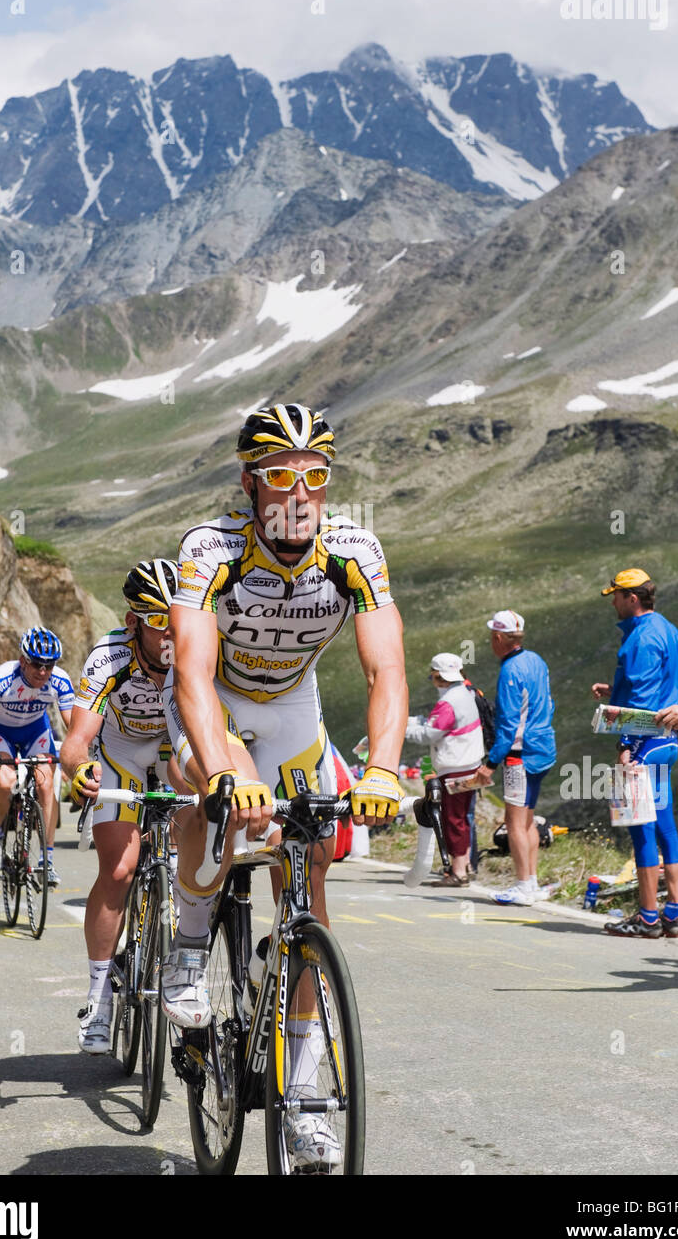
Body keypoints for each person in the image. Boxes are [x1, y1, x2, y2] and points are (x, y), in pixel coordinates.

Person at [163, 402, 407, 1170]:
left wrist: (384, 769)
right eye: (280, 478)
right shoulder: (211, 549)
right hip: (218, 703)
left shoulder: (354, 551)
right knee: (221, 805)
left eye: (316, 478)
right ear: (249, 483)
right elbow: (191, 674)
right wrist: (226, 771)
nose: (300, 495)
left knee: (306, 880)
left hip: (295, 708)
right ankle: (189, 944)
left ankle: (304, 1099)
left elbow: (386, 668)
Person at [61, 559, 196, 1053]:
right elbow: (77, 740)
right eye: (158, 622)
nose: (169, 635)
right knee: (119, 869)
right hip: (119, 752)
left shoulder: (192, 648)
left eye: (175, 619)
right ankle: (99, 999)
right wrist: (79, 770)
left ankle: (188, 954)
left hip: (170, 749)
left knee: (198, 831)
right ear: (133, 621)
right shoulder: (109, 656)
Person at [592, 568, 678, 939]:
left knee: (641, 830)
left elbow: (643, 700)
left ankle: (648, 917)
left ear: (632, 598)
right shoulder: (669, 630)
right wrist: (612, 688)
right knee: (666, 826)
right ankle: (673, 916)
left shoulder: (641, 639)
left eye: (615, 596)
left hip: (644, 746)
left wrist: (626, 747)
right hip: (668, 742)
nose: (612, 602)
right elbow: (652, 685)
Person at [0, 627, 74, 887]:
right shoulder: (2, 678)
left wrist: (76, 756)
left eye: (48, 666)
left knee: (45, 783)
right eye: (37, 665)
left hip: (35, 731)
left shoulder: (60, 680)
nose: (43, 672)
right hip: (0, 731)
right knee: (5, 781)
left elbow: (75, 726)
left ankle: (47, 860)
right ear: (23, 661)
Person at [470, 610, 556, 906]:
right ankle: (531, 882)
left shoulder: (510, 670)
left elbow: (508, 726)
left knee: (514, 822)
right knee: (529, 819)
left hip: (520, 754)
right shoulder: (537, 660)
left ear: (498, 638)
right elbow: (549, 703)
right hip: (543, 749)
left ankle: (522, 886)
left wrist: (490, 763)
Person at [405, 652, 484, 885]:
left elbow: (430, 734)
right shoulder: (465, 694)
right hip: (471, 764)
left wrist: (401, 729)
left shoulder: (448, 702)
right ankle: (466, 864)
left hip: (455, 767)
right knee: (463, 818)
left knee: (453, 819)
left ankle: (458, 872)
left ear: (439, 677)